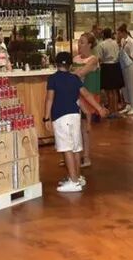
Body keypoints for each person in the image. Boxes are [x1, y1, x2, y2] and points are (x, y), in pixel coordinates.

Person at [44, 52, 108, 193]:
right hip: (75, 116)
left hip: (61, 117)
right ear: (70, 66)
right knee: (76, 147)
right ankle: (77, 177)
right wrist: (99, 108)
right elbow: (86, 94)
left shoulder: (53, 79)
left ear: (56, 64)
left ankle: (73, 181)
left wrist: (46, 117)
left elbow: (49, 99)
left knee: (66, 148)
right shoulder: (74, 78)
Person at [72, 33, 102, 166]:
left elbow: (80, 73)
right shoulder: (75, 58)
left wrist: (74, 73)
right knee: (75, 126)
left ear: (89, 45)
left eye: (82, 42)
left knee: (84, 127)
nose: (79, 44)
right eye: (79, 41)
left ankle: (86, 156)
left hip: (88, 96)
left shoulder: (93, 59)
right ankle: (75, 154)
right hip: (76, 95)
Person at [97, 28, 123, 118]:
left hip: (107, 67)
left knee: (109, 91)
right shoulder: (115, 43)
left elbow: (99, 58)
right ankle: (115, 110)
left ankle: (111, 111)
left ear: (103, 35)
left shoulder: (102, 44)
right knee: (115, 90)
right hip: (116, 66)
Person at [117, 26, 133, 115]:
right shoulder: (122, 41)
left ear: (123, 32)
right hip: (123, 65)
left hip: (130, 65)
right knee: (125, 86)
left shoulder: (131, 41)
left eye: (119, 33)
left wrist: (124, 54)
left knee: (131, 85)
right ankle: (128, 104)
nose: (118, 35)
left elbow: (132, 55)